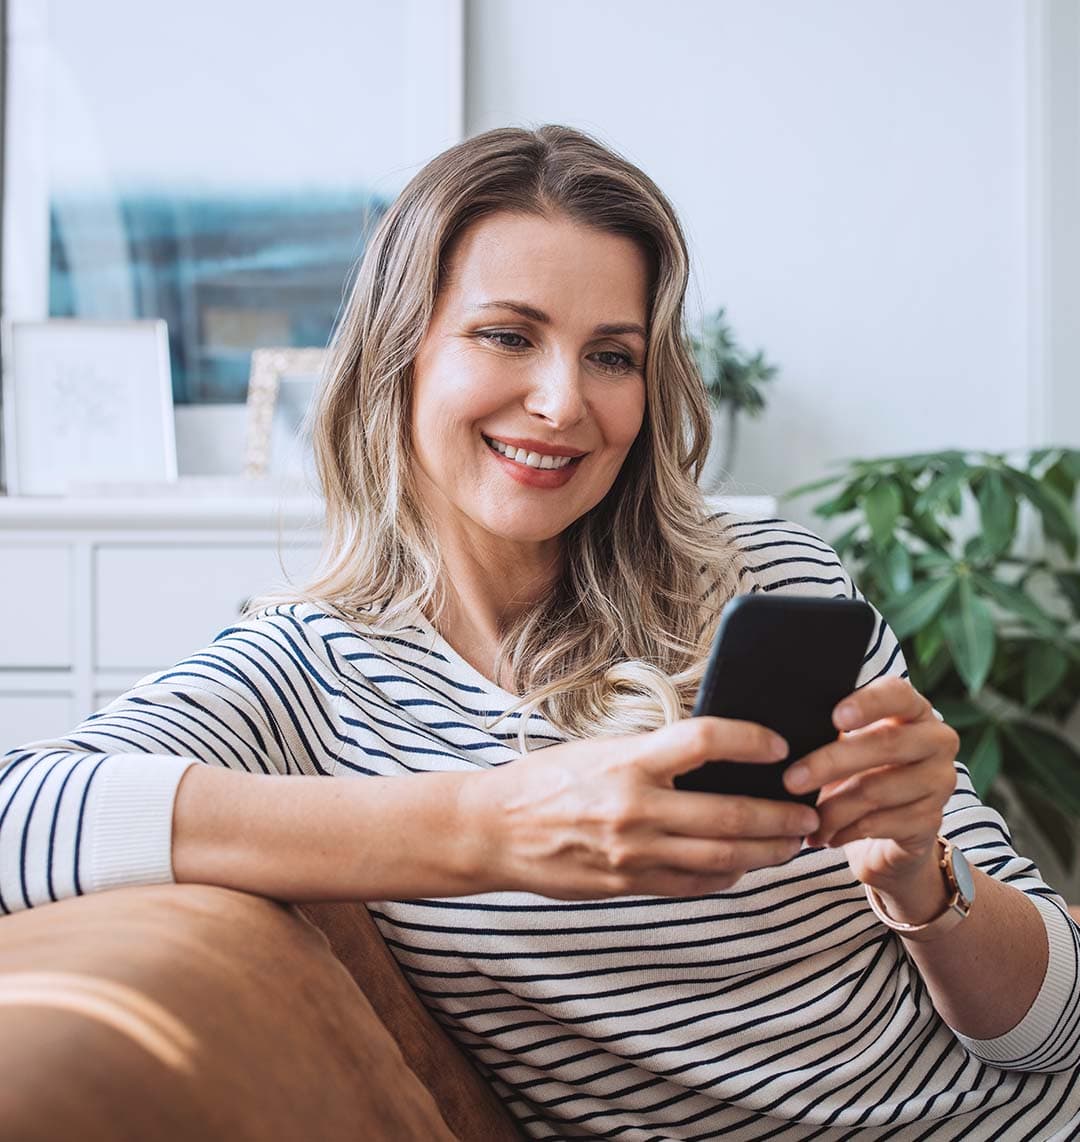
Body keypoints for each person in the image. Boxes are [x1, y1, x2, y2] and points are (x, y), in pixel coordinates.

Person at [1, 124, 1077, 1140]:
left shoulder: (762, 568)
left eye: (612, 354)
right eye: (507, 334)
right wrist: (492, 825)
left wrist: (923, 880)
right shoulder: (307, 672)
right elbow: (18, 809)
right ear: (398, 353)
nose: (564, 400)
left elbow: (1047, 1033)